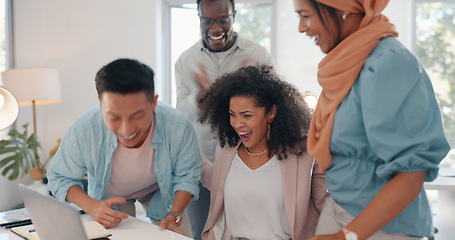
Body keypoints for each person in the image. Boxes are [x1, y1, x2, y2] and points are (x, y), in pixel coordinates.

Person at [293, 0, 451, 239]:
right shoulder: (347, 62)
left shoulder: (389, 64)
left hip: (382, 225)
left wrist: (346, 235)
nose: (301, 28)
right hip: (339, 209)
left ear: (343, 10)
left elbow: (412, 172)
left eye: (306, 15)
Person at [47, 58, 202, 235]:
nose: (126, 130)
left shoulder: (178, 126)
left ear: (153, 102)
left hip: (160, 186)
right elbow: (59, 177)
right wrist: (92, 206)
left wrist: (175, 214)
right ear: (101, 104)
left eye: (136, 116)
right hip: (110, 195)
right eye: (114, 117)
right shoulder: (83, 130)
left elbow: (187, 176)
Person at [174, 0, 275, 239]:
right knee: (203, 231)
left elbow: (273, 107)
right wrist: (201, 96)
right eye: (207, 21)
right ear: (199, 18)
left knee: (247, 230)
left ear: (234, 16)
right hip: (201, 162)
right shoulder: (185, 61)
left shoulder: (258, 55)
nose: (215, 27)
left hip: (249, 163)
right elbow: (182, 114)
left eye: (222, 19)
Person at [198, 65, 329, 240]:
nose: (237, 124)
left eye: (246, 115)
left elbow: (326, 203)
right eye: (232, 114)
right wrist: (187, 151)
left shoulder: (304, 155)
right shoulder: (226, 149)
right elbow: (214, 179)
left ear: (271, 112)